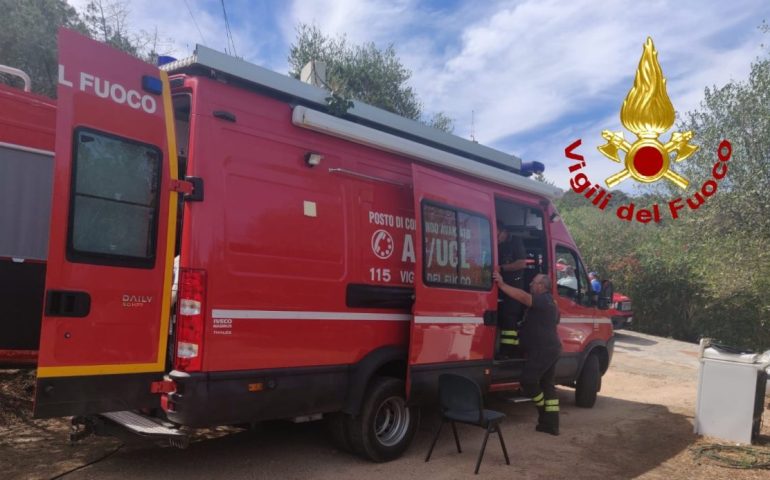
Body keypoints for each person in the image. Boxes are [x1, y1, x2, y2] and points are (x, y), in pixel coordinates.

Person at [493, 271, 562, 435]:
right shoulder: (550, 302)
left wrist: (502, 285)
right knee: (547, 386)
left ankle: (543, 409)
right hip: (549, 349)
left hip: (543, 350)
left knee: (528, 380)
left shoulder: (544, 300)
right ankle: (550, 425)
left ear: (542, 286)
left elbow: (524, 297)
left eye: (534, 282)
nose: (530, 284)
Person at [496, 222, 528, 357]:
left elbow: (522, 263)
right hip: (500, 285)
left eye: (498, 235)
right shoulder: (499, 244)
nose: (497, 238)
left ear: (504, 231)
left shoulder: (516, 242)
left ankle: (508, 352)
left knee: (510, 319)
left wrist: (502, 268)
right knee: (501, 318)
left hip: (514, 287)